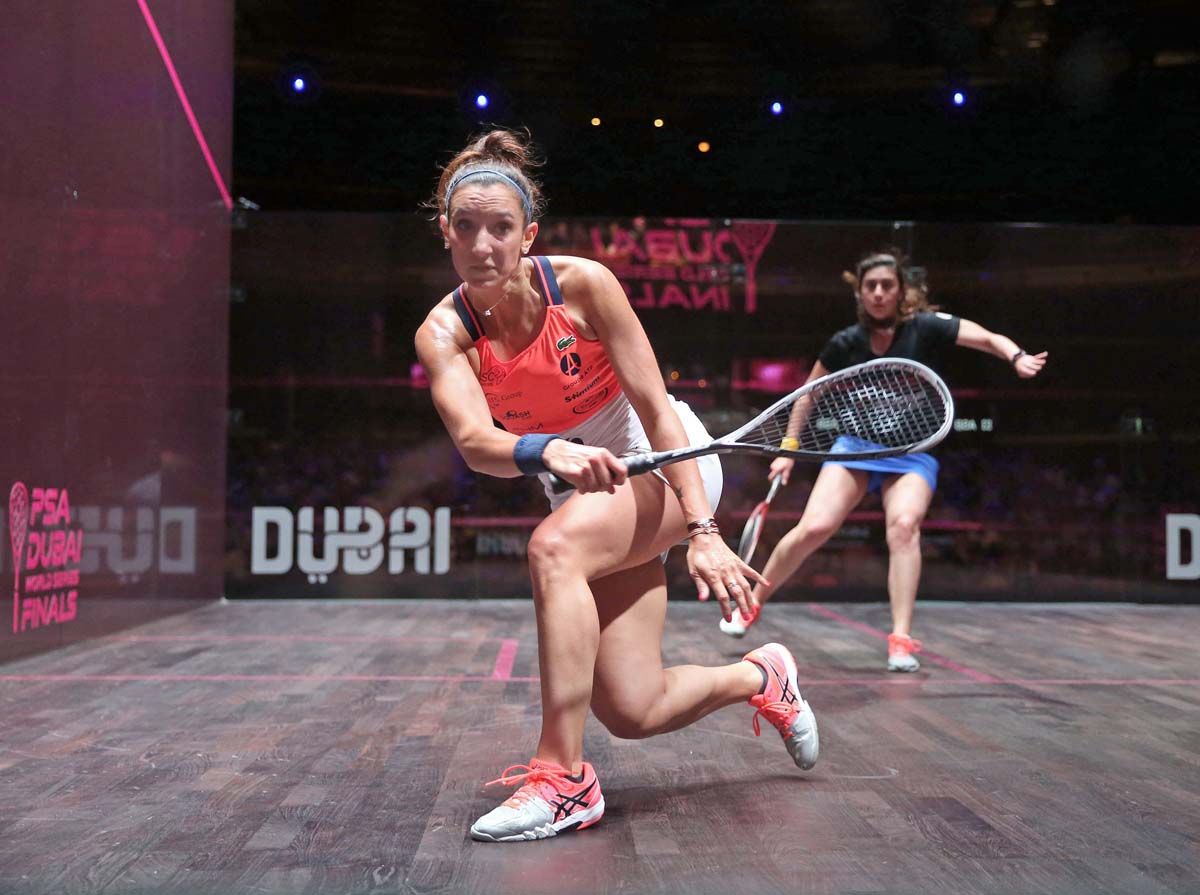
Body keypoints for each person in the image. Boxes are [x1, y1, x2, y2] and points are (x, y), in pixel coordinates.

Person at [414, 129, 819, 843]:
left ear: (528, 236)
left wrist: (702, 528)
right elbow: (478, 446)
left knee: (553, 550)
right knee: (634, 708)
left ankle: (562, 779)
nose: (483, 245)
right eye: (467, 227)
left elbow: (658, 410)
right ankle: (762, 679)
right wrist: (549, 451)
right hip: (587, 496)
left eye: (501, 228)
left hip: (667, 464)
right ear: (445, 231)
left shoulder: (583, 286)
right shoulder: (444, 333)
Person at [721, 249, 1048, 673]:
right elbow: (807, 395)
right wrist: (789, 449)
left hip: (911, 453)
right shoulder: (845, 342)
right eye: (870, 286)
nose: (878, 293)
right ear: (860, 293)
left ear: (900, 291)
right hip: (855, 449)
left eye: (886, 285)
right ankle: (752, 605)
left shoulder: (926, 328)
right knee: (814, 527)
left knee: (904, 528)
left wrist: (1016, 355)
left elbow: (986, 338)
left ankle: (900, 640)